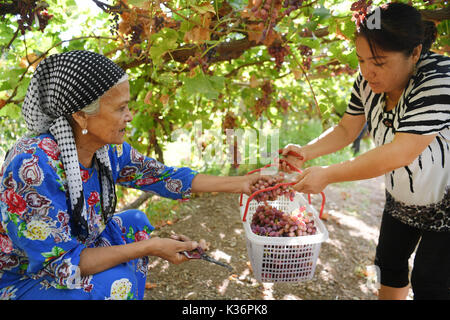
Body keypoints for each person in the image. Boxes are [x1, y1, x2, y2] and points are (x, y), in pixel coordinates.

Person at [0, 50, 269, 300]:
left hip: (71, 254)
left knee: (135, 222)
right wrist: (149, 247)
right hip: (24, 277)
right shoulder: (33, 167)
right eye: (120, 108)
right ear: (81, 115)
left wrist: (242, 183)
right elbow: (60, 263)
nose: (129, 116)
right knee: (118, 282)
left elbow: (165, 177)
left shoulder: (106, 151)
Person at [281, 3, 449, 300]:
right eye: (361, 60)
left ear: (414, 52)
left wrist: (329, 174)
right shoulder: (367, 81)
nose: (367, 71)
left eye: (379, 62)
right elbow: (347, 129)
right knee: (388, 264)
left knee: (431, 282)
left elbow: (401, 152)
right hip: (403, 199)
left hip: (447, 204)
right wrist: (305, 151)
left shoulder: (440, 79)